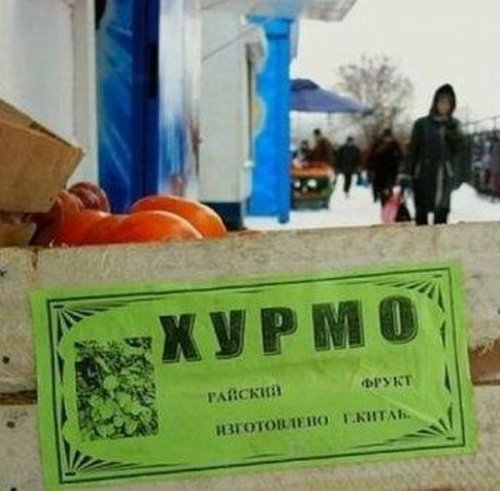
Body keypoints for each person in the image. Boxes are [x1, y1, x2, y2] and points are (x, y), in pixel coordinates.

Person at [401, 84, 464, 225]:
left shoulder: (454, 125)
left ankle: (439, 239)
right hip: (423, 173)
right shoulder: (421, 124)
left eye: (448, 103)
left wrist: (454, 136)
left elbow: (460, 152)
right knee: (421, 214)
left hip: (443, 175)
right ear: (435, 103)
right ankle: (422, 238)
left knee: (441, 214)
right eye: (441, 102)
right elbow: (413, 150)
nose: (444, 106)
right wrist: (406, 173)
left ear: (452, 106)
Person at [368, 128, 403, 204]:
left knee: (379, 183)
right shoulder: (394, 142)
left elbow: (372, 154)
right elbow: (400, 154)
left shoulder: (378, 142)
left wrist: (370, 166)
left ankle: (379, 195)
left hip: (380, 167)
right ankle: (389, 194)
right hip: (391, 167)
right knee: (389, 182)